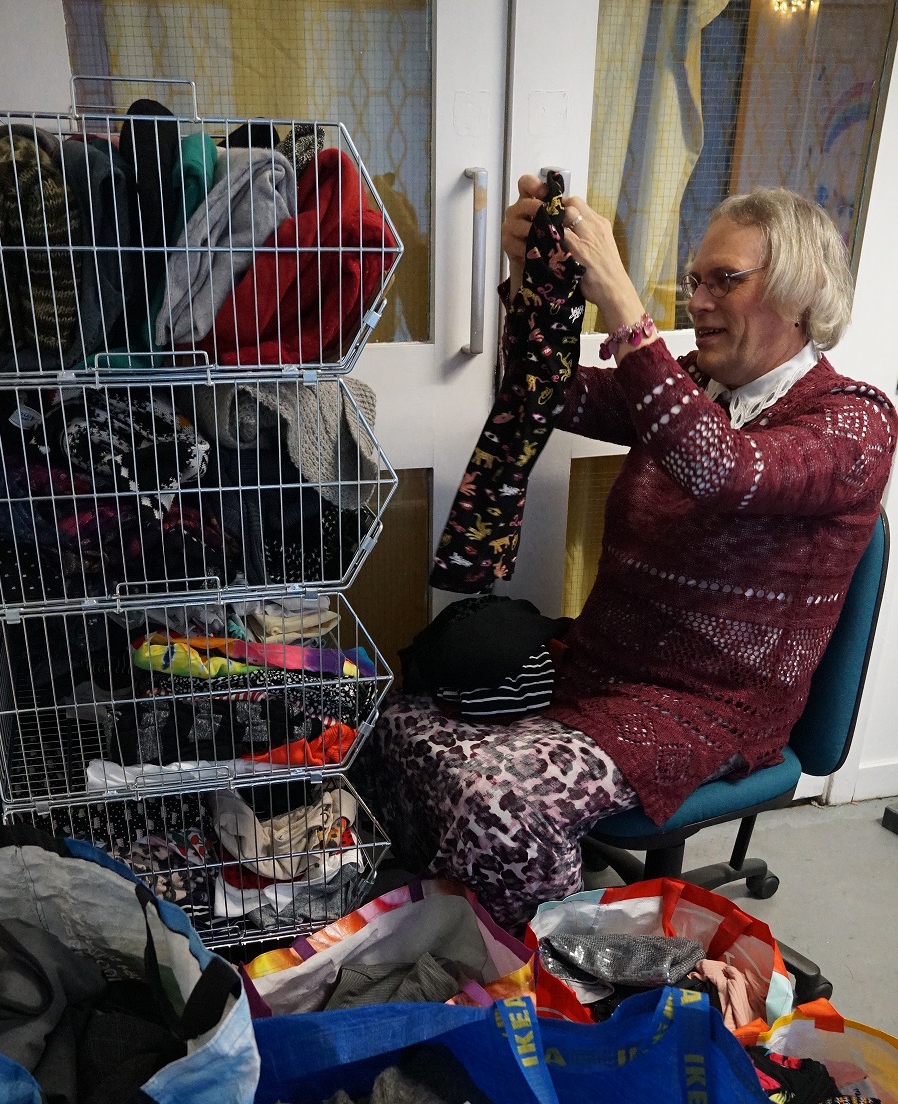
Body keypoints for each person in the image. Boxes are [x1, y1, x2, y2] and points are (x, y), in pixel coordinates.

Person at [359, 180, 897, 931]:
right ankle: (439, 931)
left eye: (724, 280)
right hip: (600, 668)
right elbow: (549, 392)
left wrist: (619, 298)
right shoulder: (697, 387)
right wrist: (532, 281)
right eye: (695, 280)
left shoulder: (855, 422)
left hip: (710, 708)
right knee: (397, 728)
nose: (698, 301)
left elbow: (722, 469)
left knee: (501, 801)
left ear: (801, 295)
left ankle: (551, 978)